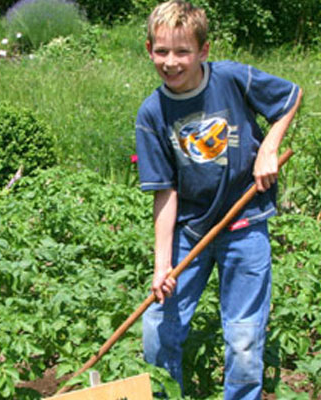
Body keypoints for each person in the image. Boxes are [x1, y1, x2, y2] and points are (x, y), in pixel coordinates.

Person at [134, 1, 302, 399]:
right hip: (189, 231)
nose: (171, 62)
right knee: (159, 327)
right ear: (149, 50)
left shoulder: (230, 78)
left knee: (244, 337)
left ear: (203, 51)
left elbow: (290, 96)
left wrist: (269, 148)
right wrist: (163, 267)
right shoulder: (153, 113)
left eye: (182, 52)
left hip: (245, 225)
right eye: (161, 51)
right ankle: (164, 394)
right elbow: (165, 192)